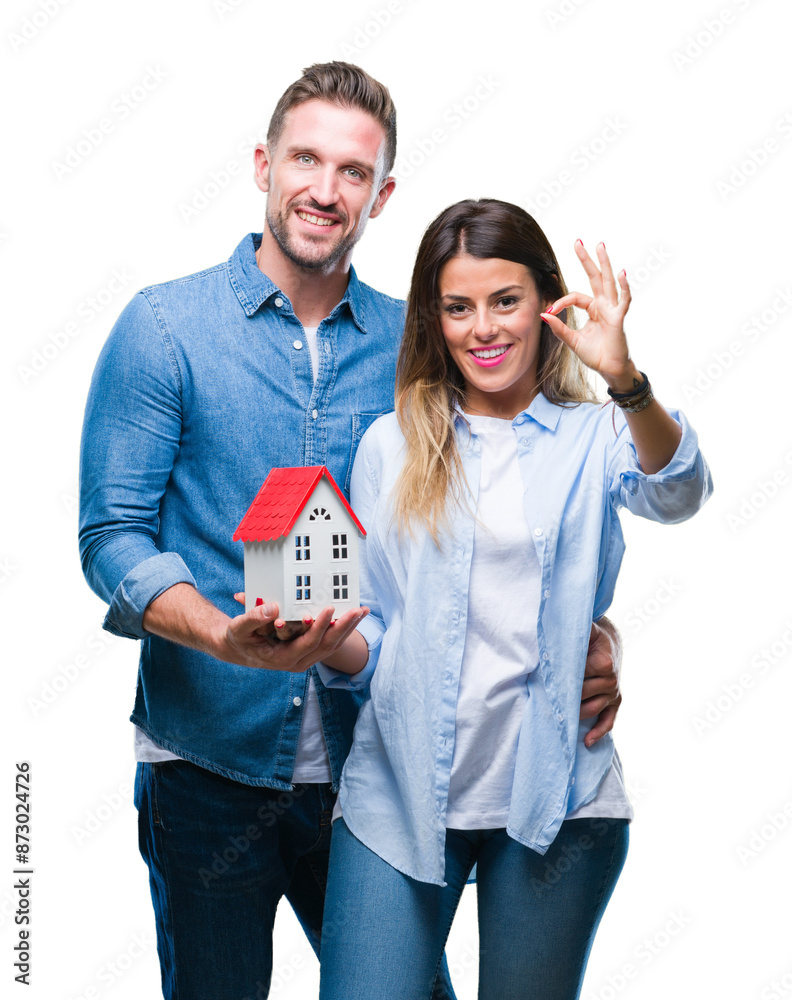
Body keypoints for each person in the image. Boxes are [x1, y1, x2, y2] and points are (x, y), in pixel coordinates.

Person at [78, 63, 623, 1000]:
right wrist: (223, 636)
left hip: (384, 771)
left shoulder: (424, 345)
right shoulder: (163, 328)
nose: (326, 191)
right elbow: (111, 537)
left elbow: (512, 509)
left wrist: (588, 632)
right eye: (306, 160)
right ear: (263, 164)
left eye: (354, 173)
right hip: (207, 763)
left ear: (382, 193)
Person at [308, 199, 713, 1000]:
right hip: (396, 795)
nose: (483, 328)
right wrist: (323, 636)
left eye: (505, 300)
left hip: (557, 803)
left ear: (545, 304)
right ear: (434, 318)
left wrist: (625, 381)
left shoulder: (595, 435)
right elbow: (378, 639)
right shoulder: (389, 445)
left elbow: (680, 491)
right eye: (458, 307)